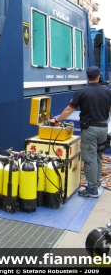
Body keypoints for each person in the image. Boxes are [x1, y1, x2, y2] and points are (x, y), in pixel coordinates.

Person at [49, 66, 111, 198]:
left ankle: (92, 188)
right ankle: (97, 181)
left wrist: (57, 119)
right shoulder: (107, 91)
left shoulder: (82, 92)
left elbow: (69, 110)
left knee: (89, 158)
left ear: (87, 77)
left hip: (90, 129)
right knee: (99, 154)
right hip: (103, 128)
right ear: (98, 77)